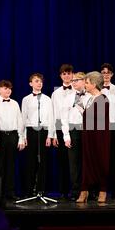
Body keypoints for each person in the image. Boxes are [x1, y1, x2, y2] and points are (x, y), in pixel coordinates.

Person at [76, 71, 110, 203]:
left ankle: (102, 190)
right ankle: (84, 190)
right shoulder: (89, 98)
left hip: (99, 137)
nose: (85, 84)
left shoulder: (103, 99)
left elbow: (99, 120)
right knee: (87, 162)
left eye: (87, 82)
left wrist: (84, 113)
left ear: (94, 84)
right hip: (88, 135)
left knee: (100, 161)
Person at [21, 73, 55, 197]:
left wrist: (50, 135)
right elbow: (23, 119)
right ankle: (29, 190)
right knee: (30, 161)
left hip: (44, 131)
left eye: (40, 81)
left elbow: (51, 117)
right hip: (30, 131)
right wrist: (23, 136)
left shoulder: (47, 99)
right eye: (36, 81)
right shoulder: (26, 99)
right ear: (31, 83)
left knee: (43, 162)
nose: (39, 83)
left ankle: (41, 189)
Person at [0, 80, 25, 199]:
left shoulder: (15, 103)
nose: (8, 90)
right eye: (5, 88)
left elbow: (19, 121)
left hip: (13, 136)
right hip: (1, 136)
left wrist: (21, 138)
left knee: (11, 165)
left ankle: (10, 192)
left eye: (10, 88)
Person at [61, 72, 91, 201]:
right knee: (74, 163)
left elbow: (95, 117)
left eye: (77, 80)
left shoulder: (91, 96)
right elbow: (64, 118)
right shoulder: (68, 98)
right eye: (72, 80)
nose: (73, 82)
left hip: (88, 131)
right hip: (73, 131)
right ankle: (76, 191)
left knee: (88, 162)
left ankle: (90, 191)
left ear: (84, 81)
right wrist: (66, 136)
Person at [100, 63, 115, 198]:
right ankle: (100, 190)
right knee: (100, 159)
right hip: (99, 127)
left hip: (113, 127)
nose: (106, 75)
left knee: (113, 160)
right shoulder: (96, 89)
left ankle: (114, 190)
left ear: (112, 74)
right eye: (103, 72)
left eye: (108, 72)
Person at [51, 64, 75, 199]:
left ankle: (76, 191)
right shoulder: (56, 93)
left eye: (69, 73)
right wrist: (54, 134)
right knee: (63, 161)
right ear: (61, 76)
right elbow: (54, 114)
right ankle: (63, 191)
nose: (66, 76)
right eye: (64, 73)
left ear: (73, 75)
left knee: (75, 160)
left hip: (74, 126)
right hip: (60, 128)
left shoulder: (78, 90)